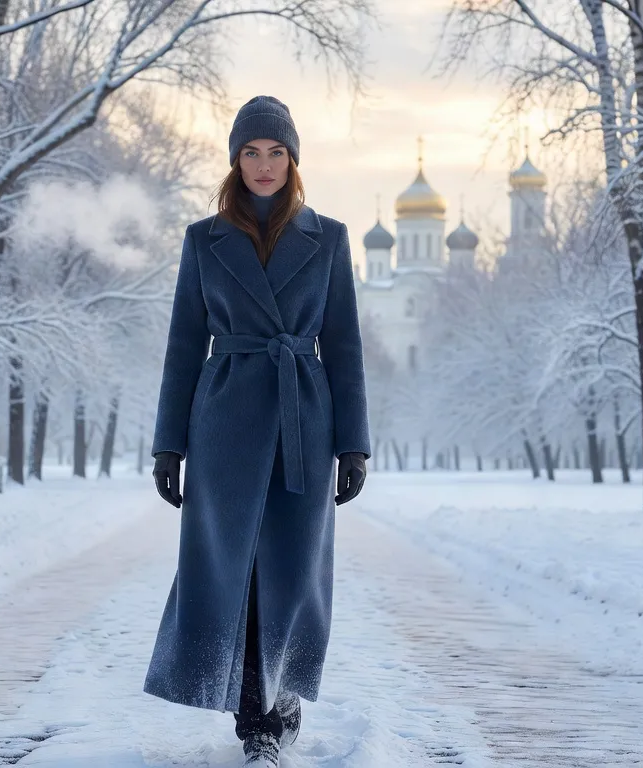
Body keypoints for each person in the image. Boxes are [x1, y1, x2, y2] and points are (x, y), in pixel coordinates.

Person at [143, 95, 371, 767]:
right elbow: (184, 345)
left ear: (292, 160)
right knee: (231, 572)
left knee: (292, 572)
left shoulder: (329, 238)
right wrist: (169, 444)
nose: (264, 165)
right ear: (235, 160)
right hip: (225, 421)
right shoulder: (203, 240)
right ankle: (258, 722)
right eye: (251, 152)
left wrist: (353, 443)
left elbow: (345, 346)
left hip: (304, 419)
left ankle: (284, 687)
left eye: (276, 152)